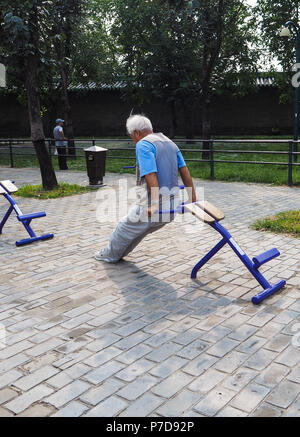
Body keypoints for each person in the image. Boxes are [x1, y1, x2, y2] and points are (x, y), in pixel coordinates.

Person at [95, 114, 196, 263]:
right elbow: (185, 172)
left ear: (136, 132)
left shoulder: (143, 144)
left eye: (131, 136)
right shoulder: (170, 143)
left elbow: (150, 175)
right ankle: (116, 255)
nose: (133, 140)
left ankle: (108, 255)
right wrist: (192, 198)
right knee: (137, 231)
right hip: (172, 206)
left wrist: (154, 203)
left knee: (123, 229)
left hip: (154, 206)